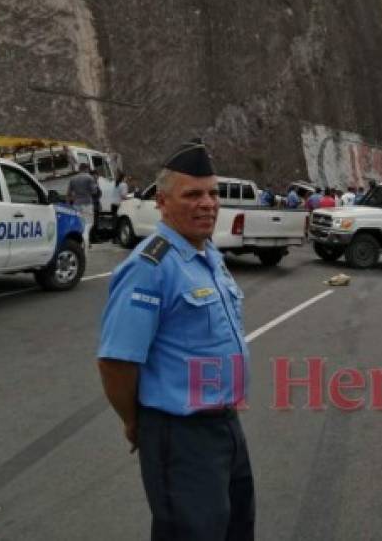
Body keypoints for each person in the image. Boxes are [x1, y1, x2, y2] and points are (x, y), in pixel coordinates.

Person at [97, 140, 254, 541]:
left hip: (225, 426)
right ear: (163, 203)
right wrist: (137, 423)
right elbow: (117, 361)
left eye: (214, 193)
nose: (208, 204)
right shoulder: (150, 267)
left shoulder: (208, 254)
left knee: (236, 528)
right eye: (193, 194)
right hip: (179, 435)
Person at [67, 163, 99, 249]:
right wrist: (95, 185)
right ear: (86, 169)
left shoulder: (72, 179)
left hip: (76, 204)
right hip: (87, 203)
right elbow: (94, 192)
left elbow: (69, 193)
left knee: (80, 223)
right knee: (89, 223)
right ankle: (86, 240)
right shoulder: (89, 178)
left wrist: (70, 202)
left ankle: (81, 242)